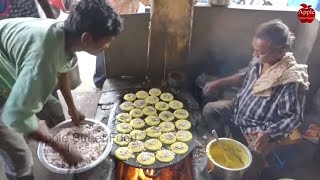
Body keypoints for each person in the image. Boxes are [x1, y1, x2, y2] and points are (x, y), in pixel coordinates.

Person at [0, 1, 122, 180]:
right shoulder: (43, 61)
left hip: (7, 65)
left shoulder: (64, 36)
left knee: (54, 108)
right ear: (86, 39)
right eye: (106, 42)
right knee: (20, 157)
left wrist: (72, 107)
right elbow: (14, 115)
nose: (108, 46)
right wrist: (59, 146)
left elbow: (62, 69)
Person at [202, 19, 309, 178]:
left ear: (280, 52)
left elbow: (293, 118)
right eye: (254, 49)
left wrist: (268, 134)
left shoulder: (291, 80)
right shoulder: (260, 59)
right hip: (238, 109)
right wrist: (219, 82)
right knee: (211, 109)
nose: (255, 55)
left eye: (260, 52)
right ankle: (222, 145)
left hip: (259, 129)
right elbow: (244, 76)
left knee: (248, 166)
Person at [93, 0, 151, 89]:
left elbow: (148, 1)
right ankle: (100, 83)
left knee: (123, 52)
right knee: (103, 51)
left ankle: (119, 77)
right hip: (106, 20)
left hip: (128, 19)